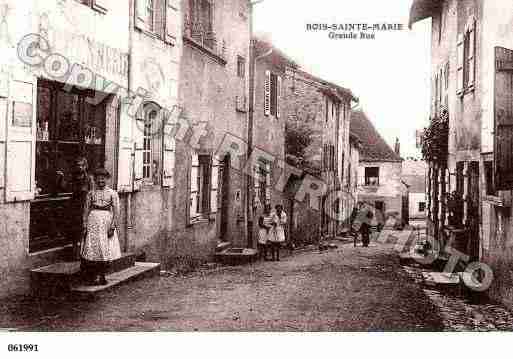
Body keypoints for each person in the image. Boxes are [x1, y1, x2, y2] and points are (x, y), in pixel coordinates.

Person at [81, 168, 121, 285]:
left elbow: (117, 211)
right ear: (94, 180)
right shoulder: (91, 193)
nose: (100, 181)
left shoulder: (112, 194)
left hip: (106, 223)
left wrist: (112, 227)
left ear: (107, 179)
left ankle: (102, 275)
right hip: (93, 222)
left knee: (104, 248)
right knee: (93, 248)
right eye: (98, 179)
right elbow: (86, 209)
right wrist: (84, 225)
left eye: (103, 179)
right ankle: (93, 275)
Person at [70, 157, 94, 260]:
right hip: (74, 206)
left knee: (84, 229)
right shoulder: (73, 177)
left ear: (85, 166)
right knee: (75, 229)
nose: (79, 167)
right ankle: (75, 252)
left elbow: (92, 193)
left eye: (81, 165)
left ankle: (84, 252)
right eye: (78, 165)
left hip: (85, 206)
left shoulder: (89, 178)